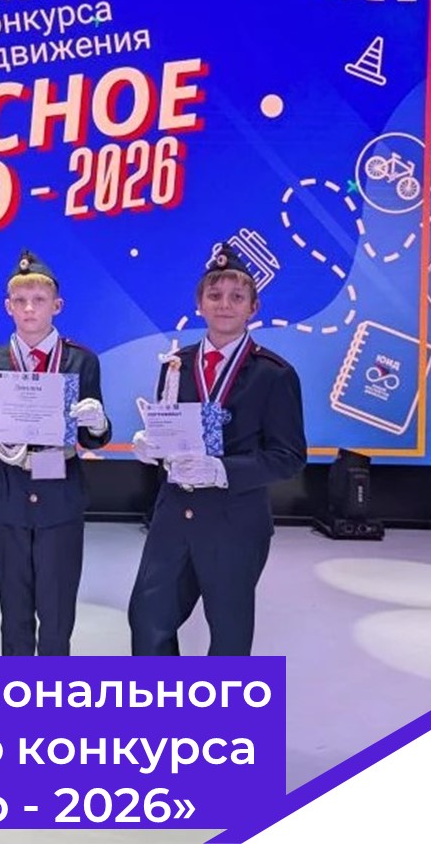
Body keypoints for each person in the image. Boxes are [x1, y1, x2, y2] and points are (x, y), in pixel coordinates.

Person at [128, 243, 307, 655]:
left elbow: (289, 457)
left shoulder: (274, 375)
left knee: (229, 634)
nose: (225, 304)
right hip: (174, 516)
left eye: (237, 297)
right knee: (148, 619)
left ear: (253, 307)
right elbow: (173, 432)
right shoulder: (176, 364)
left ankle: (219, 702)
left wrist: (221, 470)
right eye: (215, 295)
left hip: (235, 521)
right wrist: (153, 447)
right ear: (199, 304)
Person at [0, 250, 110, 655]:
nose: (29, 308)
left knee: (57, 611)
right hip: (6, 494)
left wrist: (97, 424)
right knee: (14, 608)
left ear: (56, 306)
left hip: (60, 494)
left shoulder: (81, 361)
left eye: (39, 300)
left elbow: (93, 439)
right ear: (7, 307)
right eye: (20, 301)